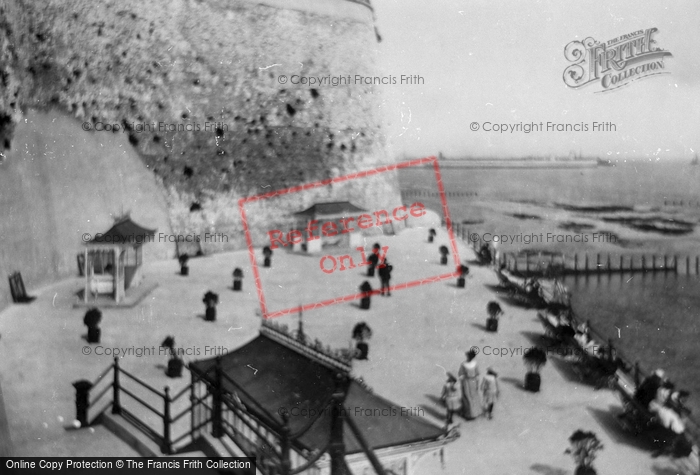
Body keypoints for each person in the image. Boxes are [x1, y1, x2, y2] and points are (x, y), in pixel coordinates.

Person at [458, 350, 482, 419]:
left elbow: (477, 374)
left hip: (471, 381)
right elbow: (461, 373)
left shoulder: (473, 364)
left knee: (472, 396)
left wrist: (477, 383)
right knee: (468, 396)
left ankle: (473, 413)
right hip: (468, 381)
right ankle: (470, 413)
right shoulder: (464, 364)